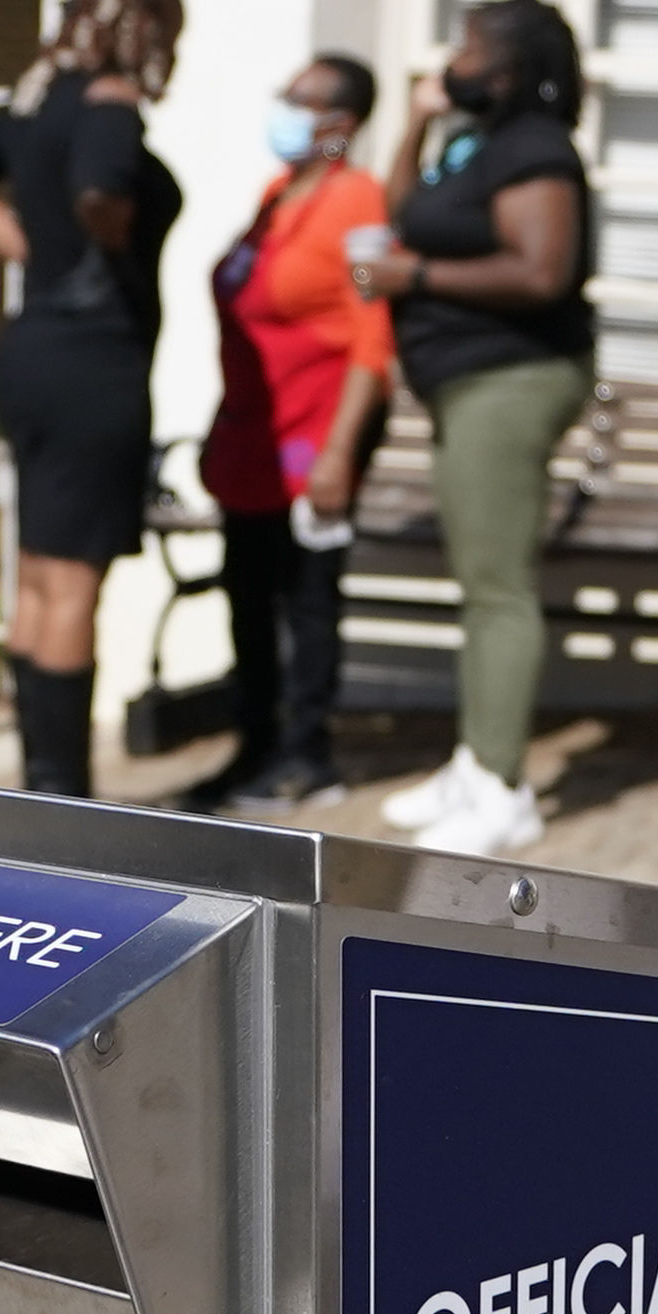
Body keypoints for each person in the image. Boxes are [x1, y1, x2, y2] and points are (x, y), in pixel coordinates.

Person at [343, 0, 597, 860]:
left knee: (498, 586)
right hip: (463, 382)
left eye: (468, 48)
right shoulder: (471, 144)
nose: (452, 60)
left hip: (511, 379)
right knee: (479, 578)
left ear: (511, 67)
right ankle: (474, 761)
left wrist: (415, 278)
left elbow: (540, 271)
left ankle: (500, 787)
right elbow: (401, 207)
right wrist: (416, 123)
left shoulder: (536, 151)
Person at [0, 0, 187, 796]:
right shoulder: (110, 106)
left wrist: (33, 248)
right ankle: (66, 801)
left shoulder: (37, 98)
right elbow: (100, 187)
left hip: (29, 353)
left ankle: (37, 784)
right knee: (76, 580)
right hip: (93, 365)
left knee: (40, 570)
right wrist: (103, 234)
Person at [182, 50, 395, 812]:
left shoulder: (357, 200)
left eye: (299, 99)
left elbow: (374, 335)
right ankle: (255, 744)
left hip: (315, 431)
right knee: (245, 590)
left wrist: (340, 452)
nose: (283, 107)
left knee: (304, 596)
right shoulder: (277, 194)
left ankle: (308, 753)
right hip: (252, 430)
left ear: (339, 124)